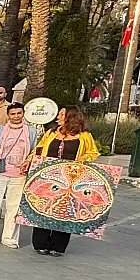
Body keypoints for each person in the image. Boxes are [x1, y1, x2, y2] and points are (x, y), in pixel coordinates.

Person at [28, 105, 99, 256]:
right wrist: (29, 161)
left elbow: (93, 152)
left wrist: (83, 158)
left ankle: (58, 246)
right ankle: (41, 243)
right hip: (49, 176)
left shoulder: (84, 136)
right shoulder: (51, 133)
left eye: (61, 114)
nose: (58, 117)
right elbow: (39, 149)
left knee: (65, 210)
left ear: (70, 117)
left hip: (71, 179)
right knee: (44, 207)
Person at [0, 101, 37, 248]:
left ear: (23, 114)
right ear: (8, 115)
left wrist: (28, 163)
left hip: (20, 174)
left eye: (19, 113)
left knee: (14, 207)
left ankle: (9, 237)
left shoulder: (31, 131)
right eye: (13, 114)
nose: (16, 116)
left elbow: (34, 150)